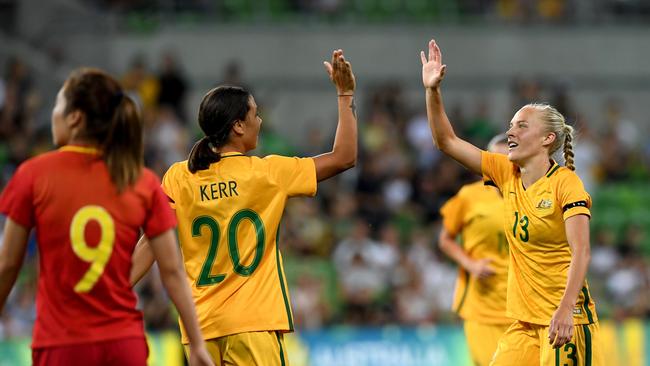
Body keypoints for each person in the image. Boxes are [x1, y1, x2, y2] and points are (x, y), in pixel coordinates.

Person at [130, 49, 357, 365]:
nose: (260, 121)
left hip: (200, 330)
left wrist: (116, 292)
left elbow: (151, 243)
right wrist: (345, 95)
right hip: (253, 324)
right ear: (238, 126)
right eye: (255, 114)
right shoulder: (267, 174)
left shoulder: (179, 176)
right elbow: (344, 156)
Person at [0, 68, 212, 366]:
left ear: (74, 117)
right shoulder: (142, 180)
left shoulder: (33, 175)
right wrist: (198, 344)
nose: (53, 115)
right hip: (124, 343)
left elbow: (8, 264)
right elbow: (172, 271)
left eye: (58, 107)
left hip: (62, 343)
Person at [421, 39, 602, 365]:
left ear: (547, 139)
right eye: (510, 125)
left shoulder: (566, 184)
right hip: (523, 323)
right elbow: (445, 141)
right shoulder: (505, 174)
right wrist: (432, 91)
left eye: (521, 125)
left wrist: (564, 310)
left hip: (565, 319)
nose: (511, 131)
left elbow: (582, 251)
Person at [438, 134, 511, 366]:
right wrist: (471, 264)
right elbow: (446, 239)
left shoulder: (531, 196)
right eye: (495, 159)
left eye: (508, 159)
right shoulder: (470, 196)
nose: (502, 165)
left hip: (524, 305)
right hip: (483, 306)